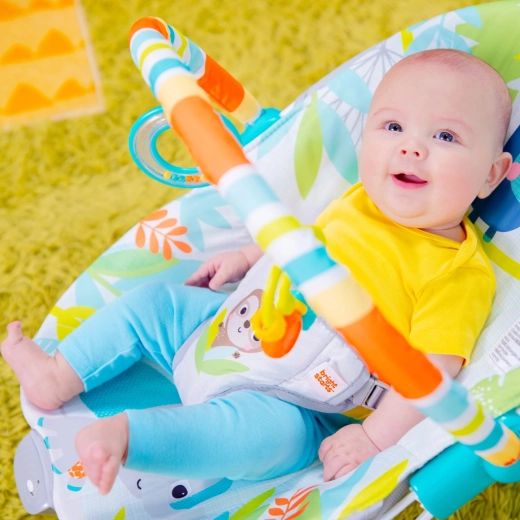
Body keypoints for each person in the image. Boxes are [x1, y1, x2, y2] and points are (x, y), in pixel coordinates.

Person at [1, 49, 513, 496]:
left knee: (256, 438)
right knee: (155, 306)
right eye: (393, 127)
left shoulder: (459, 273)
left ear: (491, 175)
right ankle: (57, 374)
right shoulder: (358, 201)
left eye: (445, 135)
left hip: (301, 402)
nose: (411, 148)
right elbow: (302, 238)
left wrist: (373, 436)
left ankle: (130, 437)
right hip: (228, 325)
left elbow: (433, 376)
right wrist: (248, 259)